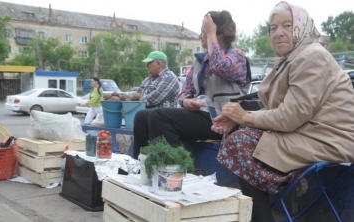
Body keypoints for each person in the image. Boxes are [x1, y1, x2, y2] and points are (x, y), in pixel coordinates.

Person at [211, 2, 354, 221]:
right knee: (238, 136)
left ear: (301, 27)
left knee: (242, 143)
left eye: (287, 25)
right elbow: (277, 110)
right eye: (273, 28)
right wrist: (237, 119)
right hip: (306, 132)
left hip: (329, 138)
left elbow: (289, 116)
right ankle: (263, 212)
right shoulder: (294, 57)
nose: (278, 33)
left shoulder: (311, 56)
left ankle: (262, 216)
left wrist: (245, 118)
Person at [132, 10, 250, 159]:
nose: (200, 36)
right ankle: (142, 167)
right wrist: (186, 101)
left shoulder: (237, 56)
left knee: (159, 116)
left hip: (223, 119)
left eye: (203, 31)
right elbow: (185, 91)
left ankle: (173, 172)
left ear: (216, 33)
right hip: (201, 115)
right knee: (141, 117)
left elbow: (219, 66)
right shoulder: (199, 61)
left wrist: (211, 34)